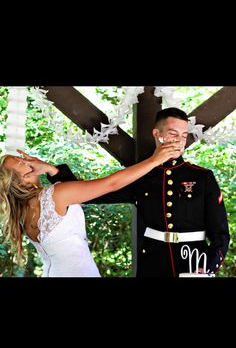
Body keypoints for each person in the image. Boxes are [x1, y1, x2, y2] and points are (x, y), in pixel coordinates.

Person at [22, 107, 230, 277]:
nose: (180, 141)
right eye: (173, 134)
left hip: (193, 261)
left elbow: (220, 234)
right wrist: (53, 170)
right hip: (153, 263)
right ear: (157, 134)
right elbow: (94, 193)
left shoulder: (202, 177)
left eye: (184, 135)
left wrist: (209, 268)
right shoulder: (139, 176)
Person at [0, 140, 179, 277]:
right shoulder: (55, 195)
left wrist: (50, 169)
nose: (26, 159)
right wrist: (155, 160)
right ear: (20, 179)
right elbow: (111, 184)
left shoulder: (22, 211)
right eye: (20, 162)